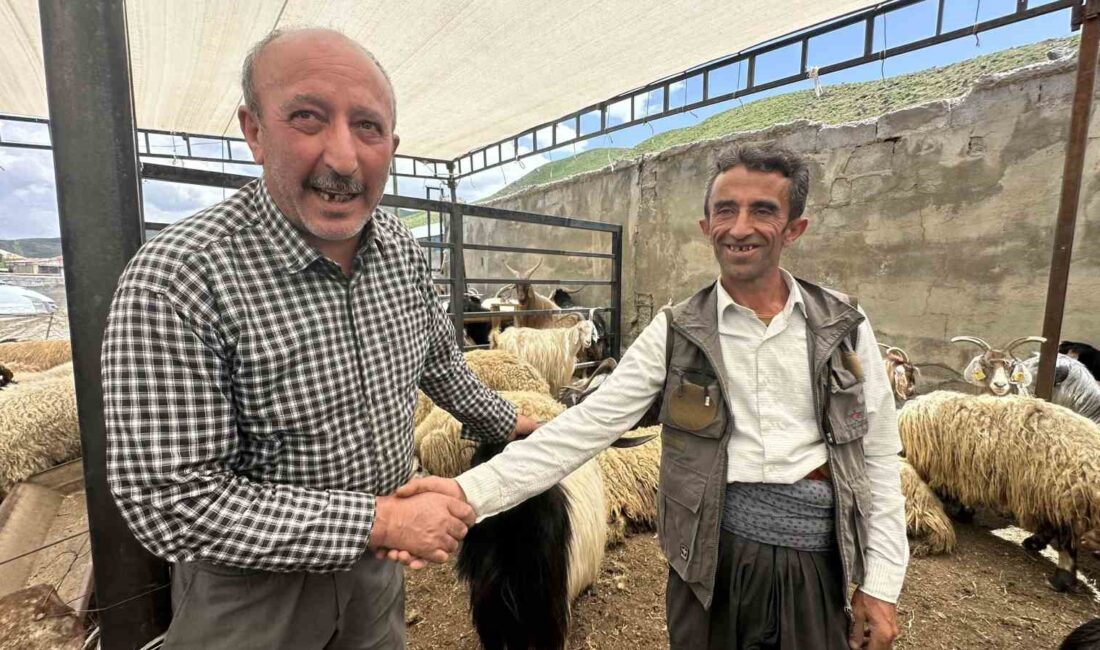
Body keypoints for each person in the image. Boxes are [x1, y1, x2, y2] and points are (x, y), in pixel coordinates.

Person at [101, 28, 537, 650]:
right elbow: (171, 497)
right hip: (251, 595)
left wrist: (516, 424)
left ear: (392, 144)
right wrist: (382, 519)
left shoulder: (403, 256)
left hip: (379, 572)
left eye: (368, 127)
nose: (342, 158)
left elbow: (440, 362)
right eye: (307, 117)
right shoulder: (178, 280)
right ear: (254, 130)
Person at [398, 144, 909, 649]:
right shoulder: (676, 332)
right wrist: (466, 492)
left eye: (763, 211)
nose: (739, 227)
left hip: (815, 564)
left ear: (794, 228)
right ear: (707, 227)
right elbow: (584, 428)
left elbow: (879, 456)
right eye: (724, 211)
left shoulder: (843, 327)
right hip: (708, 563)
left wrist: (881, 584)